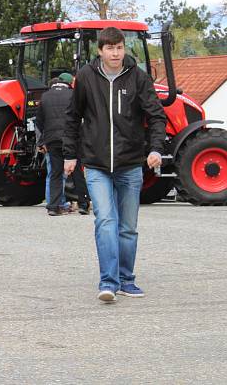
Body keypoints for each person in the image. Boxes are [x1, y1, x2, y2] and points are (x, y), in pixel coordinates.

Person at [63, 27, 166, 303]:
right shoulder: (85, 77)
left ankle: (126, 280)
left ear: (124, 48)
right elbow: (73, 117)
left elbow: (156, 115)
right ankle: (108, 282)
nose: (115, 53)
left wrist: (156, 148)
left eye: (119, 48)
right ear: (100, 51)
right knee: (106, 221)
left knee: (128, 227)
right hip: (96, 164)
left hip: (130, 163)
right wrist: (69, 154)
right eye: (110, 48)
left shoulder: (139, 78)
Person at [36, 74, 74, 216]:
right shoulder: (72, 95)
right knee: (75, 172)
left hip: (52, 140)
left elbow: (38, 122)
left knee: (55, 173)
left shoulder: (45, 97)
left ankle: (53, 206)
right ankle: (83, 202)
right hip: (69, 139)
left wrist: (41, 142)